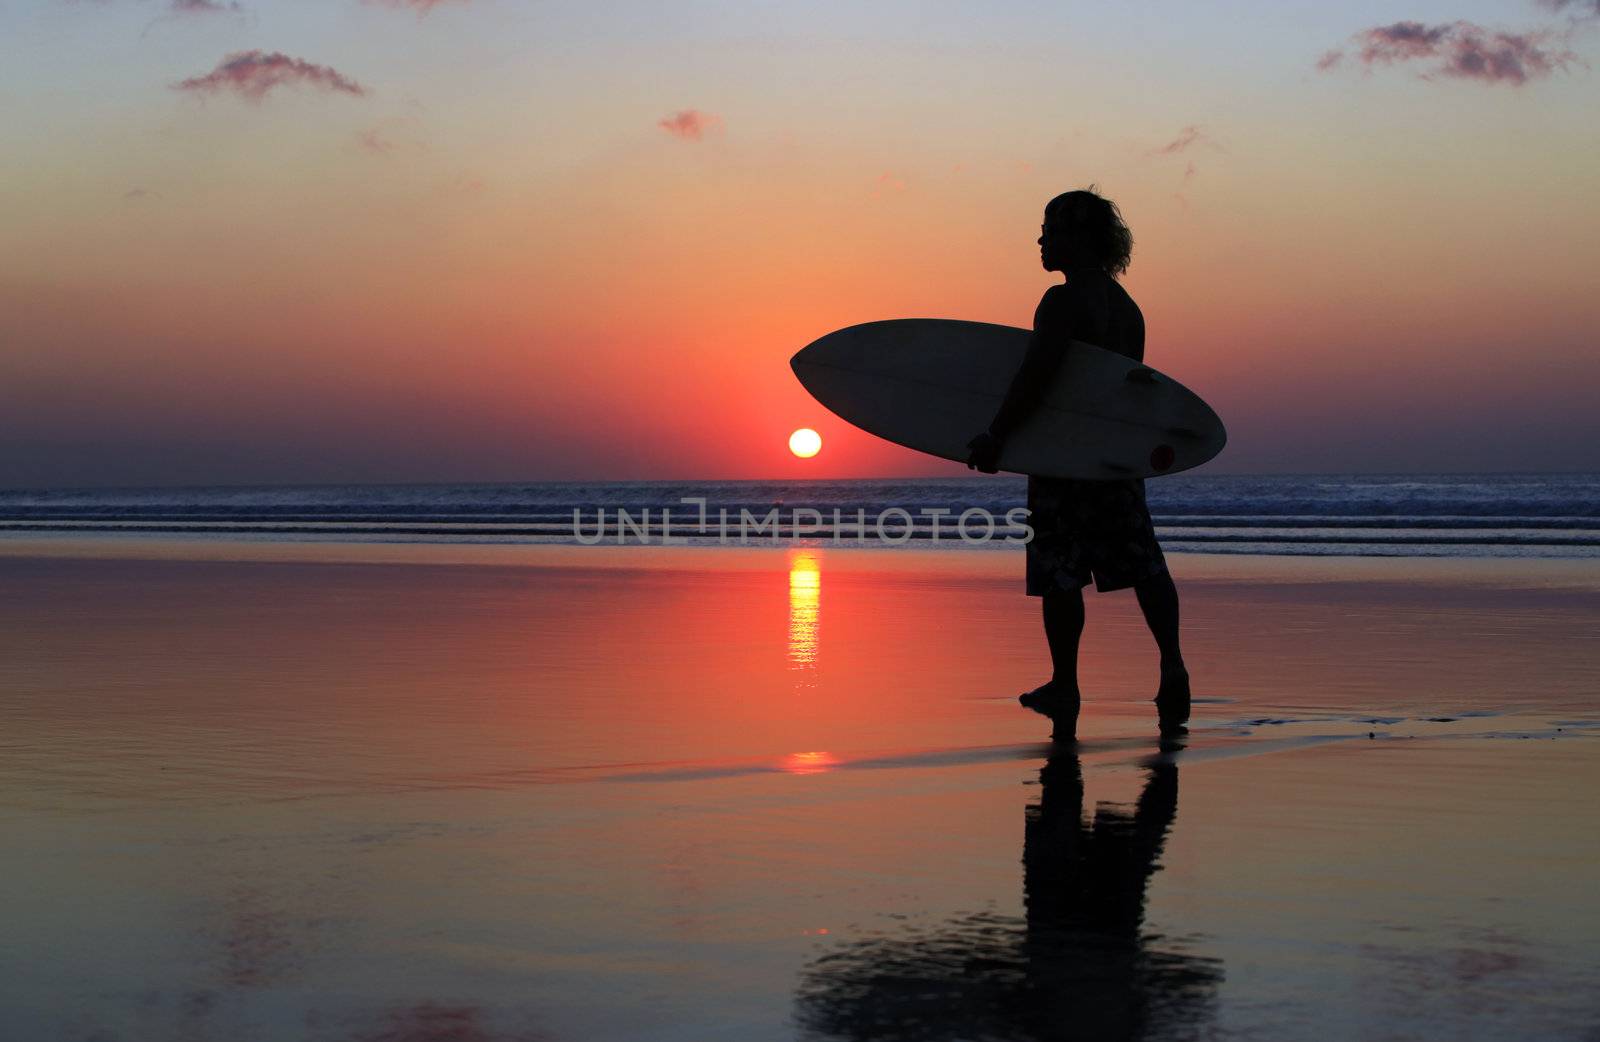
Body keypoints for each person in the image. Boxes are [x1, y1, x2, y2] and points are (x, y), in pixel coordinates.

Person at [967, 188, 1190, 741]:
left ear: (1080, 238)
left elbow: (1037, 376)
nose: (1041, 241)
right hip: (1113, 461)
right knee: (1143, 562)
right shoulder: (1127, 308)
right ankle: (1173, 666)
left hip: (1065, 458)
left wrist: (998, 436)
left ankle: (1065, 683)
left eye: (1051, 230)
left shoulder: (1062, 301)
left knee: (1060, 573)